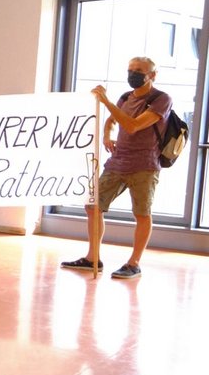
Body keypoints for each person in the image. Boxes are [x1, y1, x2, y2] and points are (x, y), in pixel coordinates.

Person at [61, 56, 171, 280]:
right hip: (118, 162)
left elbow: (132, 125)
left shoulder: (161, 99)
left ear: (152, 75)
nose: (133, 74)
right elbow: (112, 120)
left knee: (141, 213)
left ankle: (134, 263)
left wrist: (106, 101)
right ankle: (93, 258)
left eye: (139, 70)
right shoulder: (125, 98)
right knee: (93, 206)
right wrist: (107, 136)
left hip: (145, 166)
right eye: (130, 69)